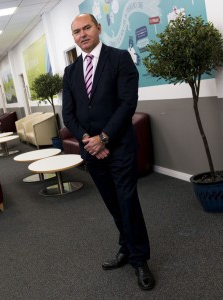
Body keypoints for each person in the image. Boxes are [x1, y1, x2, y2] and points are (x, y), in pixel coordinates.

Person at [62, 13, 155, 290]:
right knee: (113, 204)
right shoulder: (70, 73)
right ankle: (126, 247)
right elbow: (69, 114)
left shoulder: (119, 59)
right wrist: (89, 141)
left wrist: (104, 138)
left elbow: (127, 103)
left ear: (98, 28)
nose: (82, 34)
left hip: (120, 147)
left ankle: (140, 260)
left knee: (127, 202)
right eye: (77, 31)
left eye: (87, 27)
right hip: (93, 152)